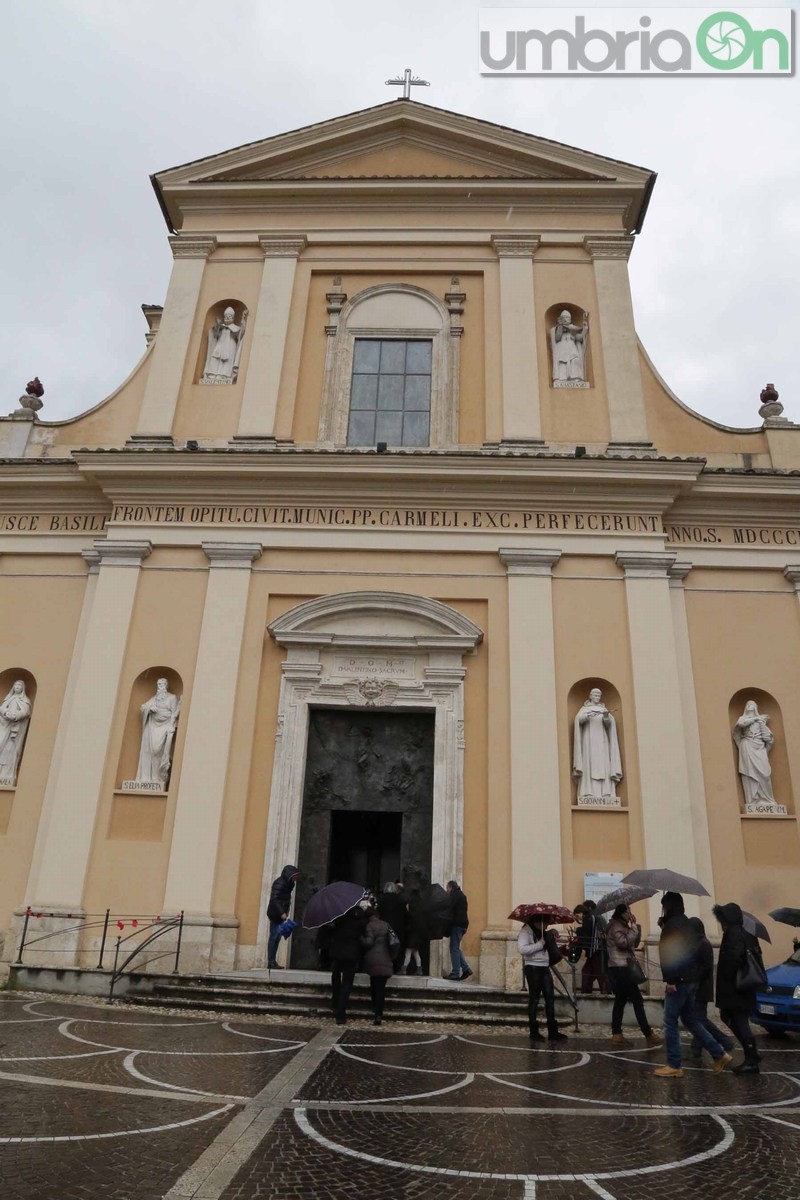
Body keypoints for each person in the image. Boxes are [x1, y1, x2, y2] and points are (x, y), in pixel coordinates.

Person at [655, 892, 732, 1078]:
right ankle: (719, 1054)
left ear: (668, 906)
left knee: (670, 1021)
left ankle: (674, 1064)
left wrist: (671, 980)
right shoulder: (688, 924)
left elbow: (670, 954)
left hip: (678, 980)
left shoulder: (671, 927)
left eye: (664, 906)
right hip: (692, 979)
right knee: (691, 1020)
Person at [714, 902, 764, 1074]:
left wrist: (725, 977)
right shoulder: (744, 933)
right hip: (741, 987)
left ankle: (751, 1059)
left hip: (737, 987)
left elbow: (734, 959)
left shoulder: (734, 934)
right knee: (729, 1016)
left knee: (739, 1021)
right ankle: (752, 1053)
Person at [605, 903, 661, 1048]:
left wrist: (636, 928)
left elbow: (633, 944)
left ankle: (617, 1034)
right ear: (623, 913)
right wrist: (633, 928)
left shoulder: (623, 926)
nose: (630, 913)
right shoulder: (616, 926)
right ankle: (648, 1034)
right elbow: (623, 943)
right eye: (628, 911)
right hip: (620, 967)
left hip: (622, 966)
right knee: (637, 999)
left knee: (620, 1000)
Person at [688, 916, 735, 1062]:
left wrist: (692, 975)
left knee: (699, 1020)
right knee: (699, 1020)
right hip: (698, 987)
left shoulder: (703, 944)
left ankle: (725, 1041)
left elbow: (705, 967)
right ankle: (696, 1051)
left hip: (701, 988)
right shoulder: (697, 943)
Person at [518, 917, 567, 1043]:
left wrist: (551, 935)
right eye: (545, 923)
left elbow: (547, 943)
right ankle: (534, 1032)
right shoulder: (526, 932)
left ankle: (553, 1031)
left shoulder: (543, 932)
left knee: (550, 998)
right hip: (533, 967)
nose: (546, 926)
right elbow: (522, 949)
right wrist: (540, 944)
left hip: (545, 967)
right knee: (534, 998)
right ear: (537, 922)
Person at [572, 689, 623, 806]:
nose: (597, 697)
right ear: (590, 696)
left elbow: (609, 724)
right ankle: (588, 793)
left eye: (599, 695)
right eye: (595, 695)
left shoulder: (603, 709)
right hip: (588, 742)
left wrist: (606, 717)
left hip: (602, 742)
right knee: (588, 765)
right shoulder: (584, 709)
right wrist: (586, 717)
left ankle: (606, 793)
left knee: (604, 765)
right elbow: (578, 720)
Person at [329, 901, 369, 1024]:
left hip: (337, 954)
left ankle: (336, 1003)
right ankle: (341, 1013)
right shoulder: (360, 923)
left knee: (336, 978)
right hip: (351, 956)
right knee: (347, 983)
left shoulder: (339, 920)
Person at [136, 678, 181, 785]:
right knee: (149, 751)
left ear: (166, 685)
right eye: (158, 684)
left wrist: (171, 727)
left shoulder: (172, 698)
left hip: (164, 726)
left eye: (161, 684)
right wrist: (150, 707)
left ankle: (157, 777)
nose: (159, 686)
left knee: (158, 751)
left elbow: (174, 714)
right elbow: (143, 707)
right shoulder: (155, 698)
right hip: (152, 726)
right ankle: (147, 778)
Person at [733, 701, 776, 806]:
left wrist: (767, 745)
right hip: (747, 746)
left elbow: (768, 738)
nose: (749, 706)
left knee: (764, 773)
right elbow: (740, 725)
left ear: (756, 707)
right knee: (749, 772)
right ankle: (753, 800)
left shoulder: (761, 722)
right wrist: (755, 719)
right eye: (747, 704)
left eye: (751, 704)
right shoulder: (742, 719)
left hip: (759, 748)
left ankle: (767, 799)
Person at [361, 901, 394, 1024]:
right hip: (385, 959)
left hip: (373, 960)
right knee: (381, 988)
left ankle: (376, 1010)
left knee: (374, 987)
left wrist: (361, 939)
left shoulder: (369, 926)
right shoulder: (386, 925)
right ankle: (378, 1013)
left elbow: (368, 943)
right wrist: (392, 957)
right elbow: (394, 941)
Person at [201, 305, 245, 383]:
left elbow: (240, 335)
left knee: (227, 361)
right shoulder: (221, 326)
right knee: (215, 358)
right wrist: (217, 326)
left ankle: (224, 376)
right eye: (226, 316)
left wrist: (243, 321)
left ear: (233, 318)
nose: (227, 318)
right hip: (219, 345)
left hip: (230, 346)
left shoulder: (235, 328)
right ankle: (212, 375)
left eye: (229, 316)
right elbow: (214, 335)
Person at [0, 680, 32, 785]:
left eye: (19, 686)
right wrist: (5, 713)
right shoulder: (9, 698)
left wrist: (15, 716)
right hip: (5, 727)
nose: (17, 687)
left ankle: (7, 775)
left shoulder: (25, 700)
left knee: (10, 751)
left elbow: (26, 711)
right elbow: (2, 708)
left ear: (23, 688)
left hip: (15, 730)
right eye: (16, 685)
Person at [266, 864, 299, 969]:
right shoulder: (280, 883)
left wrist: (286, 911)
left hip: (280, 914)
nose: (296, 878)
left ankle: (272, 961)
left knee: (277, 938)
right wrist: (282, 912)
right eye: (295, 875)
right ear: (290, 875)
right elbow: (275, 899)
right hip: (275, 914)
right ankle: (271, 961)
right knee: (274, 937)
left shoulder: (289, 884)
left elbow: (285, 899)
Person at [577, 900, 610, 994]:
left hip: (598, 951)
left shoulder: (594, 918)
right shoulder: (594, 918)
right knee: (587, 972)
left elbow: (602, 934)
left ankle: (607, 995)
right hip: (595, 951)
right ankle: (586, 994)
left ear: (589, 908)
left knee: (600, 973)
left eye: (584, 908)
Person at [445, 880, 473, 981]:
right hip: (463, 925)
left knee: (454, 949)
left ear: (451, 887)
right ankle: (466, 969)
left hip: (457, 925)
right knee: (456, 947)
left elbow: (448, 907)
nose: (446, 891)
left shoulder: (455, 895)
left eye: (447, 888)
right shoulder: (461, 895)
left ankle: (455, 973)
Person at [377, 882, 408, 973]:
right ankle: (396, 967)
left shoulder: (381, 899)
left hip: (384, 927)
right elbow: (405, 915)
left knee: (384, 947)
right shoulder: (401, 900)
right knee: (397, 948)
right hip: (398, 928)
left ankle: (384, 966)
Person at [551, 308, 588, 383]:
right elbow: (557, 338)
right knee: (562, 363)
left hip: (571, 347)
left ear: (570, 319)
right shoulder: (557, 328)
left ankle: (575, 378)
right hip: (562, 347)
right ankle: (562, 378)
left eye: (567, 317)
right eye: (563, 317)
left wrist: (584, 329)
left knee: (575, 361)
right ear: (560, 319)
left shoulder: (573, 329)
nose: (565, 319)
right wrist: (561, 327)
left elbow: (579, 338)